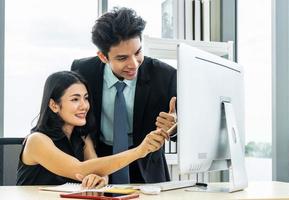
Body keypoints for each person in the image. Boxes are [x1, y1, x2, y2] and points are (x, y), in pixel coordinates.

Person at [71, 7, 177, 184]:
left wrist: (174, 125)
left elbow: (183, 126)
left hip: (146, 167)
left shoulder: (164, 75)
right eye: (122, 58)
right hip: (98, 163)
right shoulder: (83, 71)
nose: (134, 64)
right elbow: (73, 120)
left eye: (137, 52)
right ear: (103, 57)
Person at [16, 71, 169, 188]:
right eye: (75, 99)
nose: (84, 106)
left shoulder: (82, 137)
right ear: (54, 105)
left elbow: (97, 167)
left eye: (86, 98)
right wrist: (139, 151)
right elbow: (79, 169)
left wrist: (100, 178)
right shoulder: (37, 140)